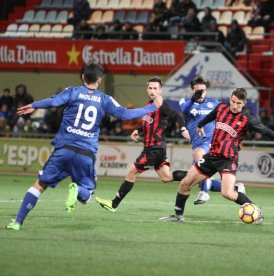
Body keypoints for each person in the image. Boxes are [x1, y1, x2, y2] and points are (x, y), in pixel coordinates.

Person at [5, 63, 162, 230]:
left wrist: (34, 105)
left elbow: (53, 101)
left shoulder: (72, 91)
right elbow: (125, 114)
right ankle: (77, 189)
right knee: (86, 195)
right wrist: (153, 107)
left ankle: (17, 222)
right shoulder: (104, 99)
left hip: (63, 149)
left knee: (39, 185)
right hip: (85, 153)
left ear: (82, 77)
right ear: (99, 80)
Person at [160, 88, 274, 223]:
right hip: (212, 156)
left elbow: (267, 131)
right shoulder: (221, 108)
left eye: (238, 103)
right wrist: (201, 124)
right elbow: (211, 115)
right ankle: (177, 216)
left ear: (244, 103)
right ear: (230, 99)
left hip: (228, 159)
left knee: (227, 193)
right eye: (233, 101)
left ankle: (255, 210)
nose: (235, 106)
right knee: (185, 183)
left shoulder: (247, 119)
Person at [95, 77, 191, 212]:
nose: (152, 91)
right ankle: (198, 176)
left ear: (160, 90)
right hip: (156, 148)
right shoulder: (149, 104)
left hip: (154, 148)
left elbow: (177, 116)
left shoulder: (162, 105)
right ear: (147, 89)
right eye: (150, 88)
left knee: (131, 172)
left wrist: (182, 128)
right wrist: (138, 130)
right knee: (166, 177)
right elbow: (149, 121)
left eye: (155, 88)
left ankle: (113, 204)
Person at [179, 75, 239, 205]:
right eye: (197, 90)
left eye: (203, 90)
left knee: (199, 154)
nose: (201, 93)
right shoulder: (185, 102)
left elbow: (228, 116)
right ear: (191, 90)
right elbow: (184, 112)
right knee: (196, 180)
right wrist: (183, 127)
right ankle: (236, 189)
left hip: (210, 142)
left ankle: (204, 194)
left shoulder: (214, 103)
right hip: (196, 143)